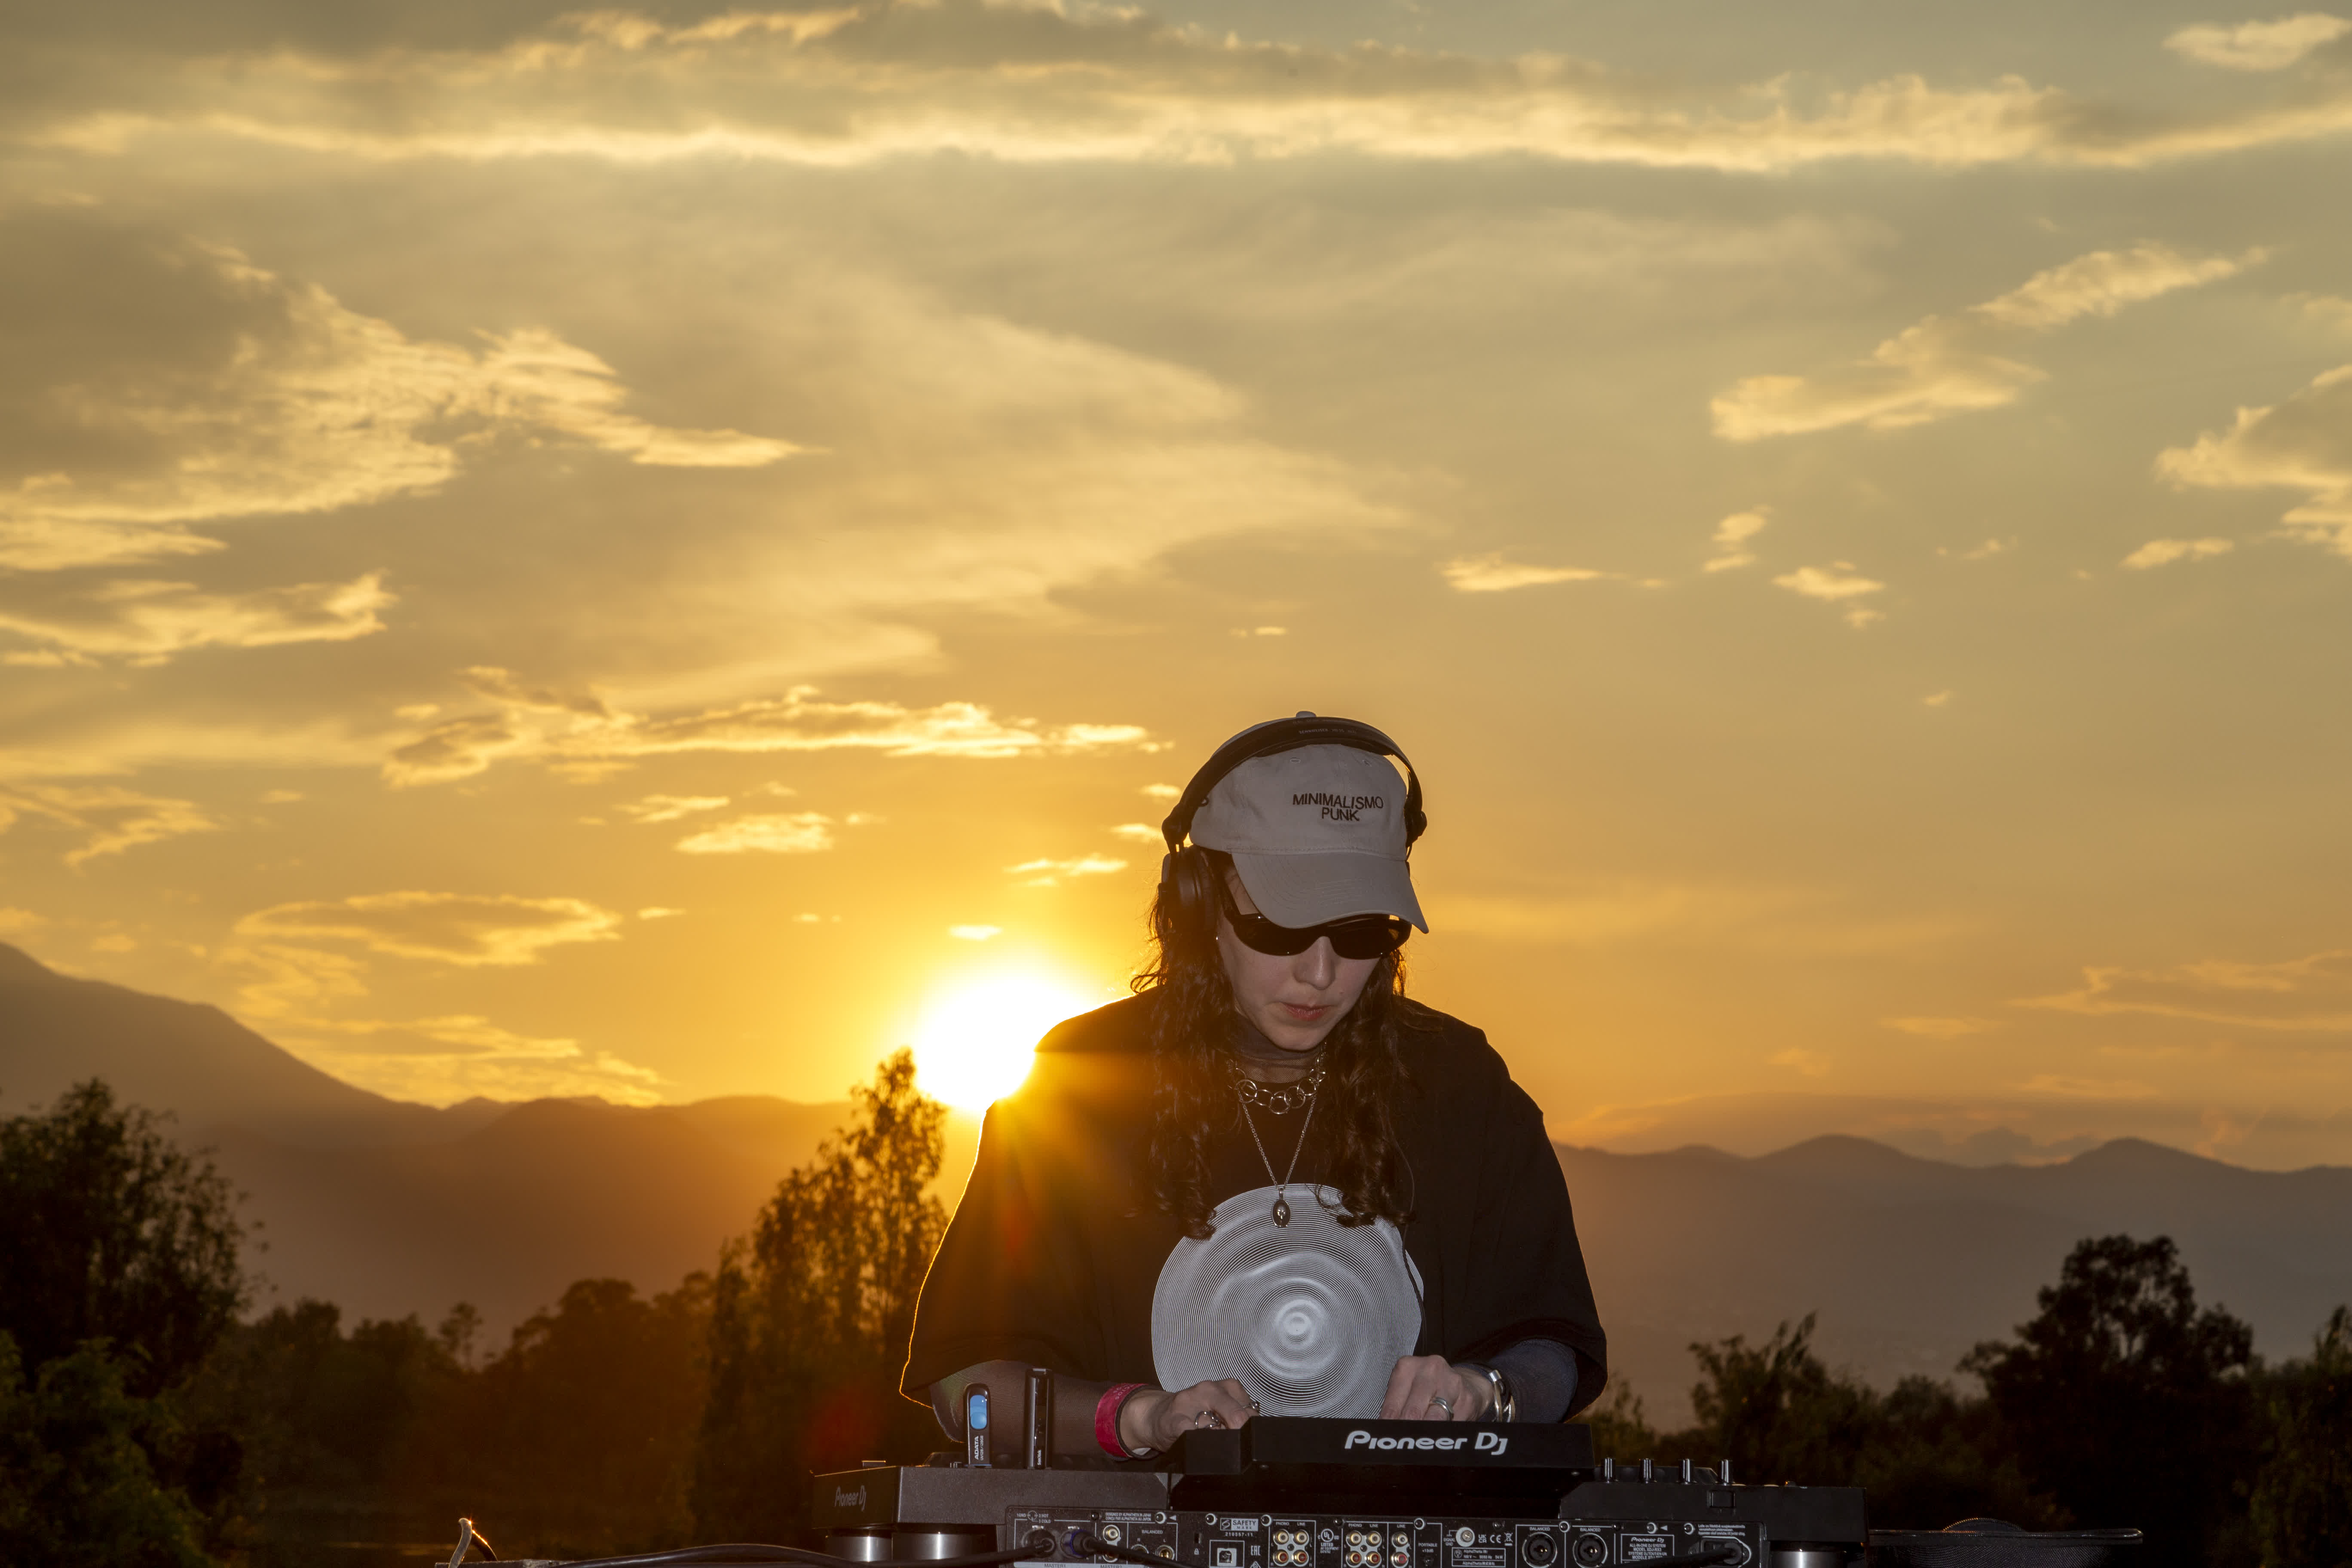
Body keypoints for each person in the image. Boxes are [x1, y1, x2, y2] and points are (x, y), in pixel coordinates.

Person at [902, 714, 1606, 1462]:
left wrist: (1485, 1392)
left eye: (1363, 930)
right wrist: (1136, 1417)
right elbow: (965, 1386)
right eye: (1281, 925)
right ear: (1201, 906)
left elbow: (1554, 1344)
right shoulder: (1082, 1084)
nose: (1321, 971)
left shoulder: (1461, 1084)